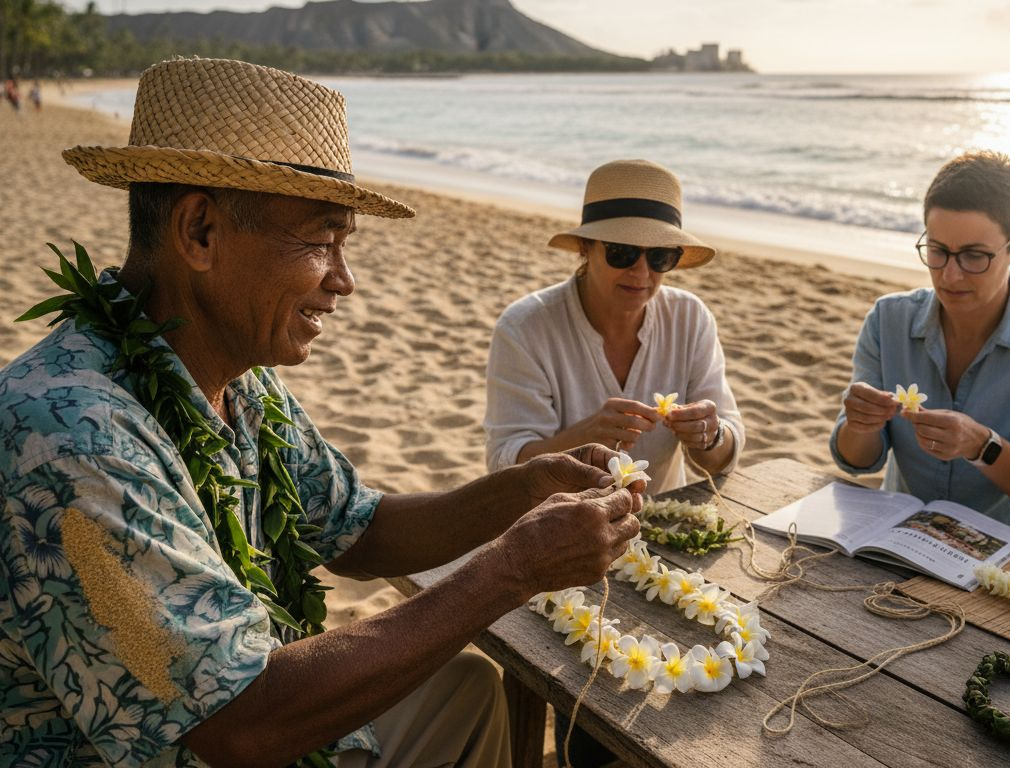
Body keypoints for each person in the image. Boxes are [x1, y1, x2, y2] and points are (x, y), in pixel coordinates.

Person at [0, 58, 643, 767]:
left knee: (465, 690)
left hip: (253, 724)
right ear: (200, 232)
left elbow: (358, 529)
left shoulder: (232, 373)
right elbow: (239, 727)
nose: (344, 280)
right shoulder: (66, 438)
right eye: (319, 240)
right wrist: (510, 570)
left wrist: (522, 491)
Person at [830, 150, 1010, 551]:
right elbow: (856, 460)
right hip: (905, 544)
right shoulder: (889, 319)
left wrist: (981, 445)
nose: (950, 274)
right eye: (937, 250)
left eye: (975, 256)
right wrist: (859, 424)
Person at [484, 159, 745, 496]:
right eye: (622, 252)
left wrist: (710, 436)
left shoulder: (690, 318)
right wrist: (583, 438)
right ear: (585, 248)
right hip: (556, 527)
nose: (640, 272)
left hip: (664, 525)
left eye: (659, 256)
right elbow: (505, 466)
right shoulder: (525, 328)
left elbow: (723, 460)